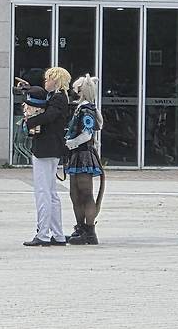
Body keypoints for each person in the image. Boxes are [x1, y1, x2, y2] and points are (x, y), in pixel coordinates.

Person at [22, 67, 71, 247]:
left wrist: (30, 121)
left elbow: (49, 116)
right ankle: (57, 234)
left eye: (48, 79)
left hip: (45, 148)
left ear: (55, 80)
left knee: (43, 192)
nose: (45, 82)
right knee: (51, 193)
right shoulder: (59, 97)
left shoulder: (57, 98)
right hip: (52, 148)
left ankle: (43, 234)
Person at [65, 74, 105, 245]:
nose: (73, 91)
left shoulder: (86, 109)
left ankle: (89, 231)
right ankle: (80, 227)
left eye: (76, 88)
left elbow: (87, 134)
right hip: (77, 154)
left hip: (83, 154)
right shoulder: (81, 108)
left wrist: (70, 143)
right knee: (75, 194)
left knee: (86, 194)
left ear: (81, 91)